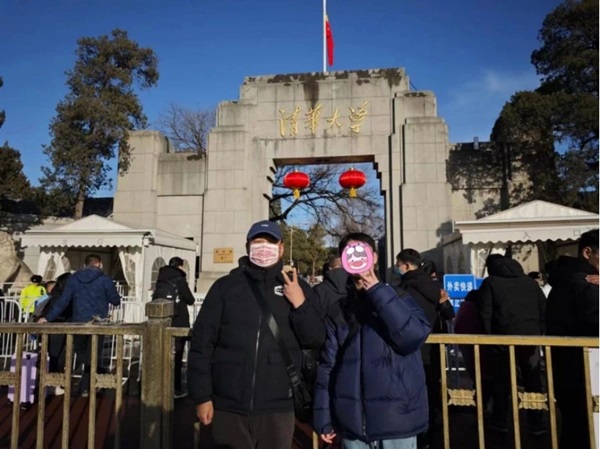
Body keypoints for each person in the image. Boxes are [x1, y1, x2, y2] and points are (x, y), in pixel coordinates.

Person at [187, 220, 325, 449]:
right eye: (258, 241)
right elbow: (202, 344)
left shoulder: (297, 287)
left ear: (281, 247)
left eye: (270, 241)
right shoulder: (225, 287)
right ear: (248, 245)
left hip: (278, 405)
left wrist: (300, 304)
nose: (264, 246)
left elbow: (315, 338)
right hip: (228, 404)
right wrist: (202, 396)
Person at [314, 232, 431, 449]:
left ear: (374, 257)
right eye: (350, 253)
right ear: (343, 261)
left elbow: (412, 337)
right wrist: (323, 416)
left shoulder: (400, 297)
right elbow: (327, 366)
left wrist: (377, 290)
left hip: (397, 423)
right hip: (353, 426)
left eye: (362, 251)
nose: (356, 257)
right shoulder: (339, 310)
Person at [476, 254, 547, 434]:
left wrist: (489, 339)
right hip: (531, 339)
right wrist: (539, 332)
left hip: (502, 341)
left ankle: (500, 421)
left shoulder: (491, 283)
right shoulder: (530, 283)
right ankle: (536, 422)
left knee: (503, 381)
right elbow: (543, 309)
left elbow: (485, 314)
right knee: (532, 380)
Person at [545, 229, 599, 449]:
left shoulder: (564, 279)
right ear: (588, 253)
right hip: (587, 370)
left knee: (574, 426)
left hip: (566, 365)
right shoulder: (587, 284)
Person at [396, 249, 454, 449]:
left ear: (405, 265)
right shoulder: (435, 287)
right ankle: (433, 430)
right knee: (432, 386)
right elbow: (448, 314)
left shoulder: (403, 289)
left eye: (398, 265)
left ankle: (416, 433)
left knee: (411, 391)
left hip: (411, 347)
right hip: (433, 346)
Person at [39, 254, 121, 396]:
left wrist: (48, 317)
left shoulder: (74, 278)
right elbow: (115, 300)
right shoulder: (105, 279)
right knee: (94, 353)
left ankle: (88, 382)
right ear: (99, 264)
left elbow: (64, 301)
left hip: (78, 321)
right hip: (99, 322)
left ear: (85, 265)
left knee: (80, 349)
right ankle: (87, 386)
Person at [153, 256, 196, 399]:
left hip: (162, 323)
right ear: (179, 266)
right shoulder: (180, 280)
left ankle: (160, 387)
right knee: (177, 357)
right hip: (179, 321)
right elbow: (190, 300)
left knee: (163, 355)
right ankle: (176, 389)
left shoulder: (161, 279)